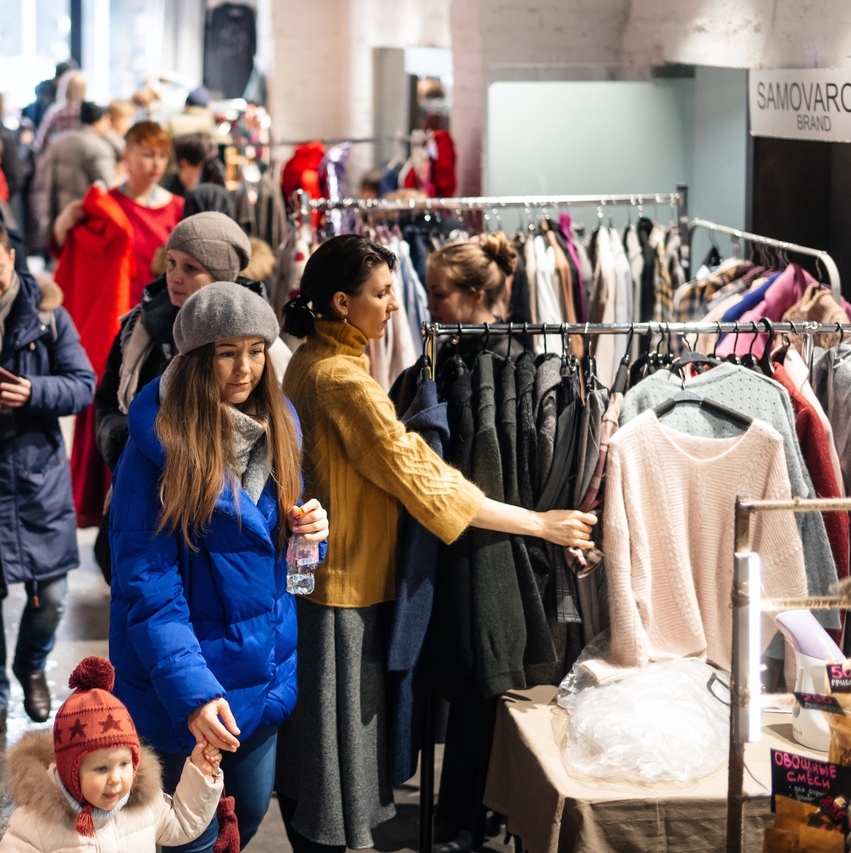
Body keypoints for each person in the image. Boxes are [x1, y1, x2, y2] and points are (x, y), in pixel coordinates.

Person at [276, 234, 596, 852]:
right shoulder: (345, 381)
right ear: (343, 302)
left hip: (324, 578)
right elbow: (427, 482)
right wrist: (541, 524)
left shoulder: (313, 361)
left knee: (320, 753)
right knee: (334, 760)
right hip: (345, 588)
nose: (397, 305)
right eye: (384, 293)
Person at [109, 282, 329, 853]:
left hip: (263, 676)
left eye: (256, 350)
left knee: (248, 816)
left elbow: (292, 578)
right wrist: (194, 694)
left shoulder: (279, 425)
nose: (245, 367)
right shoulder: (155, 449)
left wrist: (309, 541)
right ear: (194, 357)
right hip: (185, 687)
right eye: (227, 352)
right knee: (191, 835)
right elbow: (148, 589)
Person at [0, 222, 96, 729]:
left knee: (53, 594)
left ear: (11, 256)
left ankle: (31, 666)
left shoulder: (47, 315)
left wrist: (32, 392)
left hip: (36, 477)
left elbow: (83, 384)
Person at [0, 656, 225, 852]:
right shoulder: (36, 825)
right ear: (72, 772)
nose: (116, 779)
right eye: (101, 768)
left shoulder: (144, 803)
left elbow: (182, 823)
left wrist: (201, 774)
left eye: (124, 764)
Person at [53, 119, 184, 306]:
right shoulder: (106, 206)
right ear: (126, 156)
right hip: (116, 306)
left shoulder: (176, 206)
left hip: (161, 309)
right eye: (148, 155)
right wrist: (61, 228)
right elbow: (75, 258)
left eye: (162, 155)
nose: (156, 163)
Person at [426, 230, 524, 364]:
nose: (430, 306)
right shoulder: (447, 350)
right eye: (429, 294)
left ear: (476, 295)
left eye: (439, 295)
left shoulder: (508, 358)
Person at [32, 101, 117, 246]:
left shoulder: (58, 142)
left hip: (57, 217)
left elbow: (41, 179)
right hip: (85, 219)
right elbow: (110, 188)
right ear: (101, 120)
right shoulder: (99, 147)